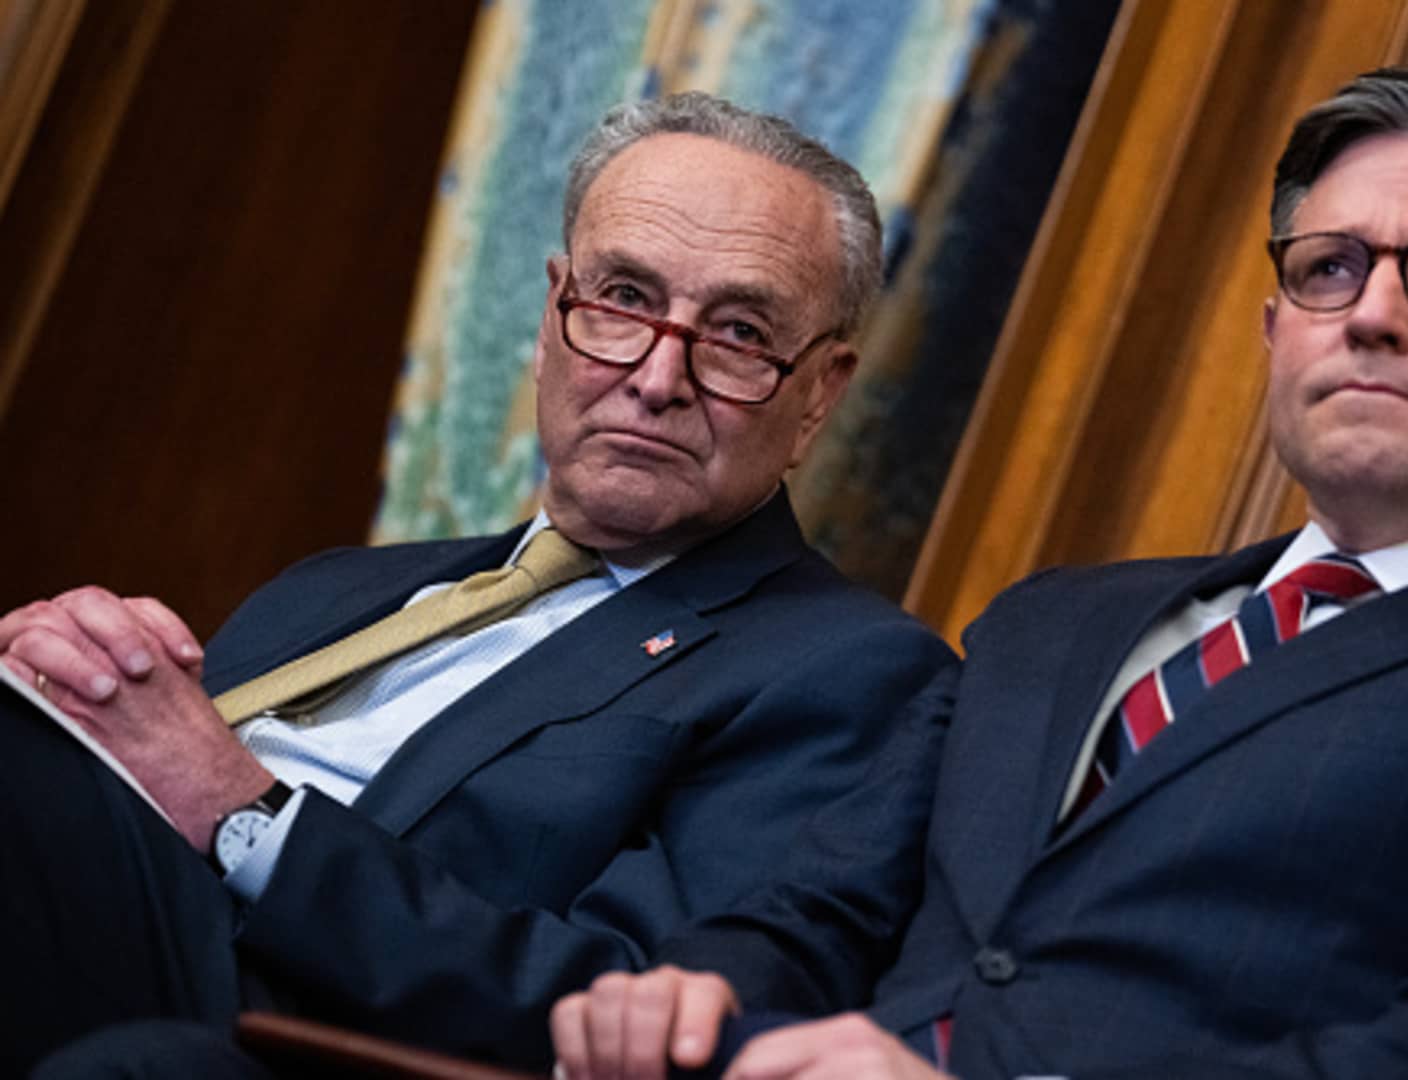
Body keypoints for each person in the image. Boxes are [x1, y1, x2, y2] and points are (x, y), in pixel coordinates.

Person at [547, 64, 1408, 1080]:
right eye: (1329, 269)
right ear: (1277, 334)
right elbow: (817, 917)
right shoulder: (1051, 624)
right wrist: (687, 998)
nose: (1371, 314)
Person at [0, 92, 954, 1074]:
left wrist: (243, 814)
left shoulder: (850, 673)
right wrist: (70, 695)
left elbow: (632, 1015)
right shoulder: (335, 589)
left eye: (740, 333)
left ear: (820, 394)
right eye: (623, 299)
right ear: (550, 318)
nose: (658, 377)